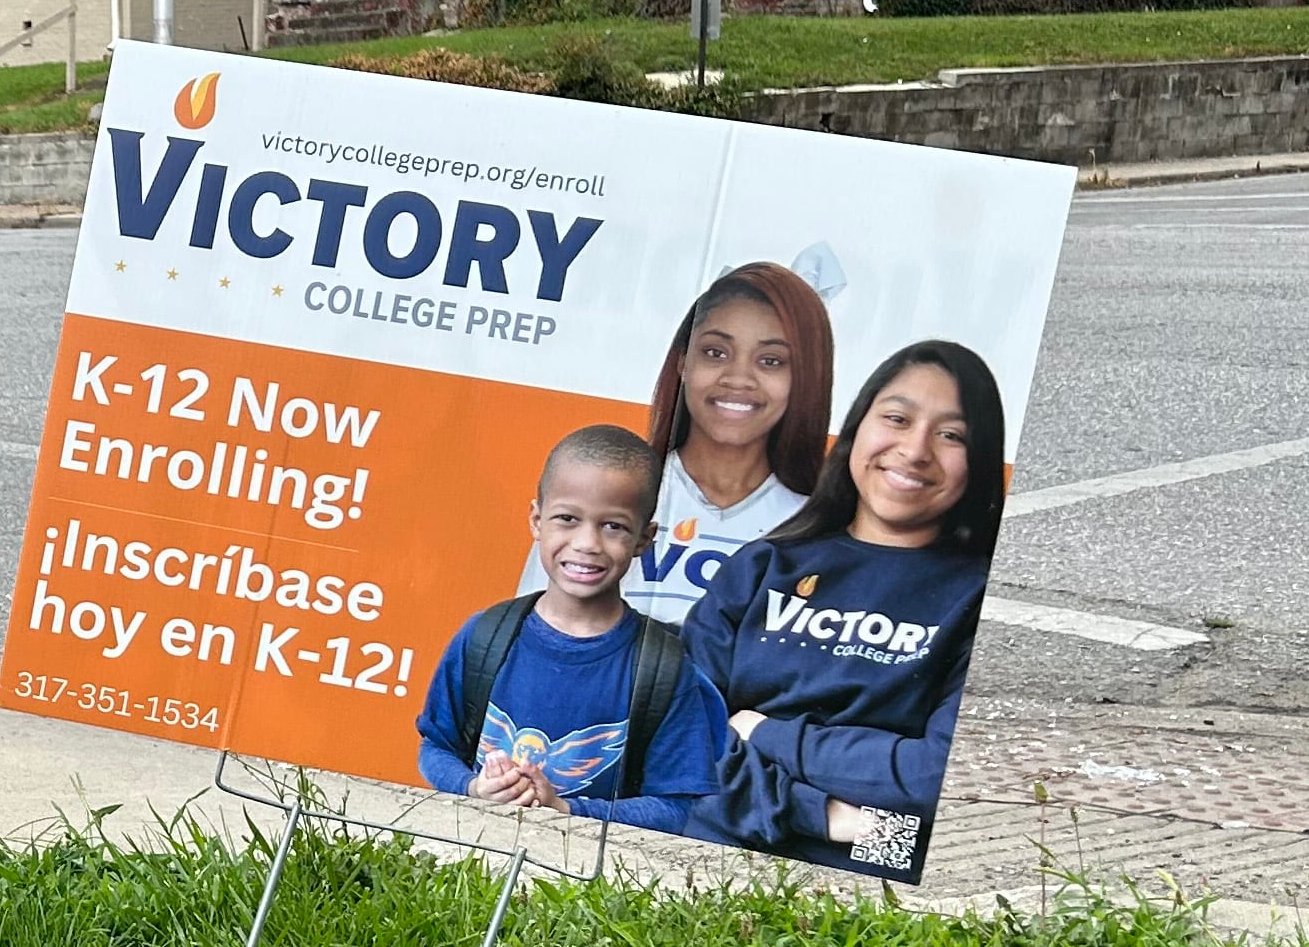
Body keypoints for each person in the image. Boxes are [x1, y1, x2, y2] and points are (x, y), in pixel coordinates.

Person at [672, 340, 1004, 881]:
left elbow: (936, 779)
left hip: (874, 878)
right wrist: (826, 816)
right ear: (857, 430)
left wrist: (766, 732)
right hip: (726, 845)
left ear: (980, 459)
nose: (915, 450)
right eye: (896, 418)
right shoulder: (763, 567)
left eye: (951, 435)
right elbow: (679, 743)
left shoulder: (978, 601)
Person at [415, 424, 732, 838]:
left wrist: (563, 809)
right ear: (536, 520)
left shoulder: (665, 669)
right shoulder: (485, 637)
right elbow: (435, 749)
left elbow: (672, 809)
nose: (587, 543)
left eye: (613, 526)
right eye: (567, 519)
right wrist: (475, 787)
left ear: (645, 538)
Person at [522, 262, 833, 625]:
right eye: (716, 353)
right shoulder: (612, 490)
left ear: (805, 378)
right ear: (684, 362)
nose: (738, 378)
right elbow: (536, 639)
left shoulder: (819, 528)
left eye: (771, 361)